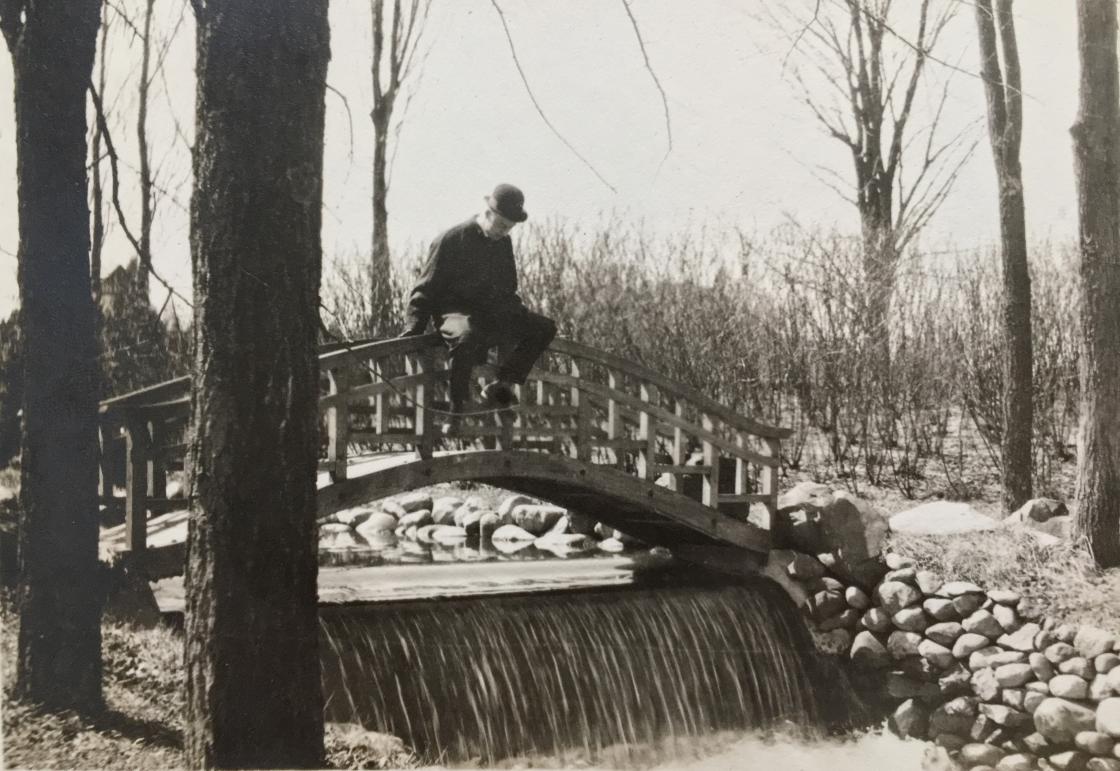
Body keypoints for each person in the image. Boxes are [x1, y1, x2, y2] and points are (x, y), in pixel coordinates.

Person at [402, 184, 557, 422]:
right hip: (453, 314)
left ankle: (502, 385)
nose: (503, 232)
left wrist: (515, 312)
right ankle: (457, 409)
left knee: (544, 327)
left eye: (509, 228)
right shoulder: (452, 238)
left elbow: (508, 286)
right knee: (466, 336)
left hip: (491, 313)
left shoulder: (503, 242)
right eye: (501, 225)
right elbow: (426, 288)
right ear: (487, 213)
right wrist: (413, 329)